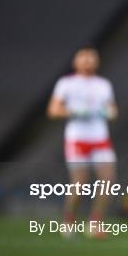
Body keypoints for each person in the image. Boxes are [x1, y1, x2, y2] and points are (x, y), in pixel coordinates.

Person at [47, 48, 118, 239]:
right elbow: (53, 110)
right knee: (80, 182)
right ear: (76, 62)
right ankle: (69, 220)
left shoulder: (103, 85)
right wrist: (74, 112)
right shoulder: (66, 83)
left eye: (91, 58)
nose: (88, 61)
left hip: (100, 139)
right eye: (84, 58)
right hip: (77, 139)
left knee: (108, 181)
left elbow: (112, 110)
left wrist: (108, 113)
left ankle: (95, 223)